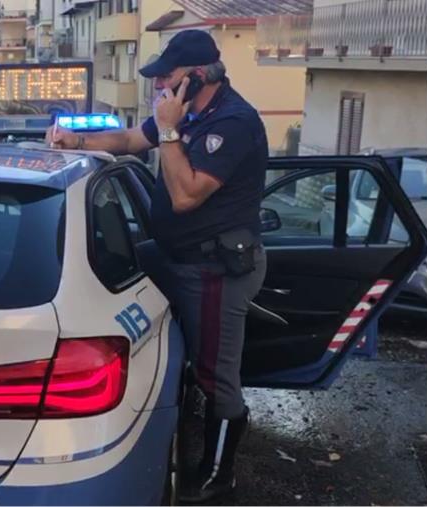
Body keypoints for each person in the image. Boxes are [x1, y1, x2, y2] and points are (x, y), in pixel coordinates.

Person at [47, 29, 268, 504]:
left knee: (216, 376)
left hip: (214, 269)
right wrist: (73, 142)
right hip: (173, 256)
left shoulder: (233, 122)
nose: (158, 87)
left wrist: (169, 128)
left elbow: (187, 194)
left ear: (197, 77)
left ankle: (216, 476)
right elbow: (129, 138)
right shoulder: (185, 113)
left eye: (166, 77)